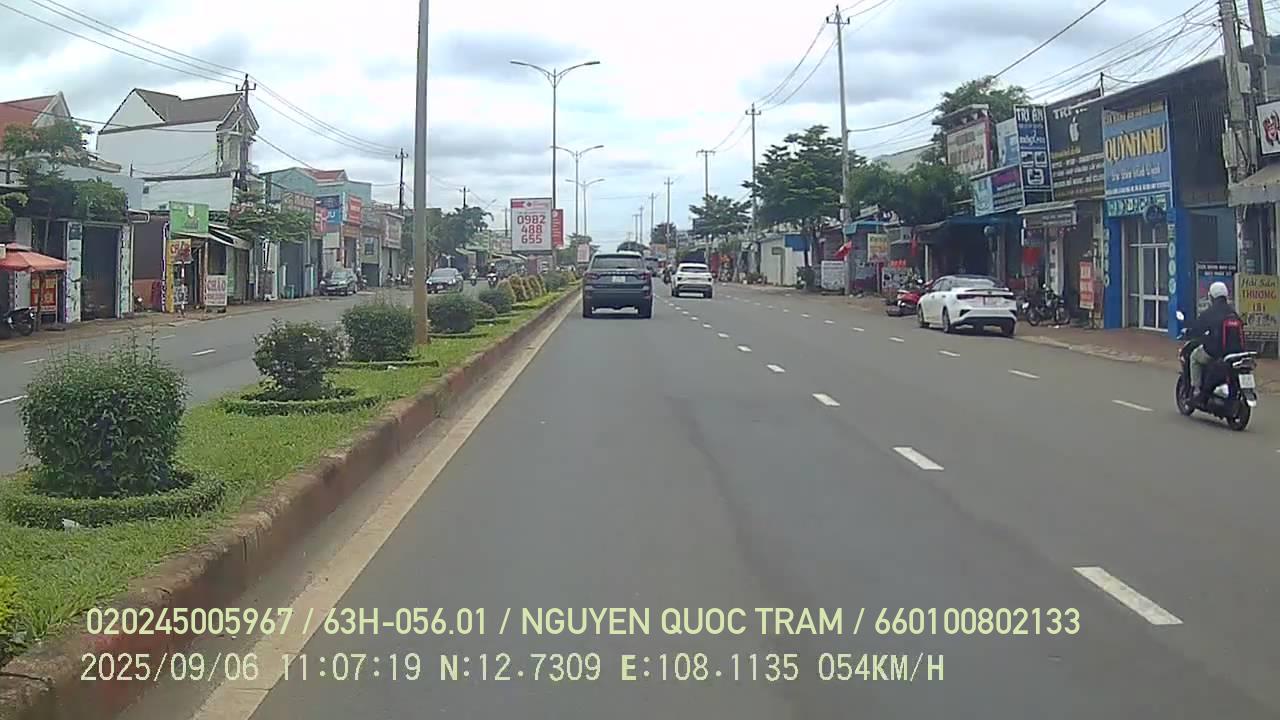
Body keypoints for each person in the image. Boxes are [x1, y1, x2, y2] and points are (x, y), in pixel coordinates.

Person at [1186, 280, 1245, 401]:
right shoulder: (1232, 312)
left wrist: (1189, 333)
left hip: (1216, 352)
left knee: (1194, 357)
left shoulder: (1210, 313)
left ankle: (1196, 389)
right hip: (1236, 352)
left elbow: (1197, 329)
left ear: (1211, 296)